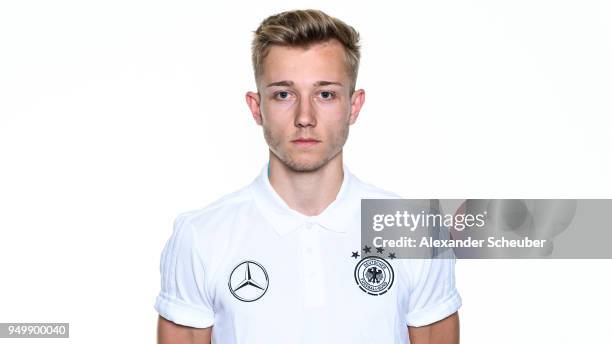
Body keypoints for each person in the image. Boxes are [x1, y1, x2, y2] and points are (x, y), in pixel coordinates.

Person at [155, 9, 461, 344]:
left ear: (353, 106)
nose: (305, 117)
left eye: (325, 94)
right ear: (257, 107)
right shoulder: (201, 237)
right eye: (283, 94)